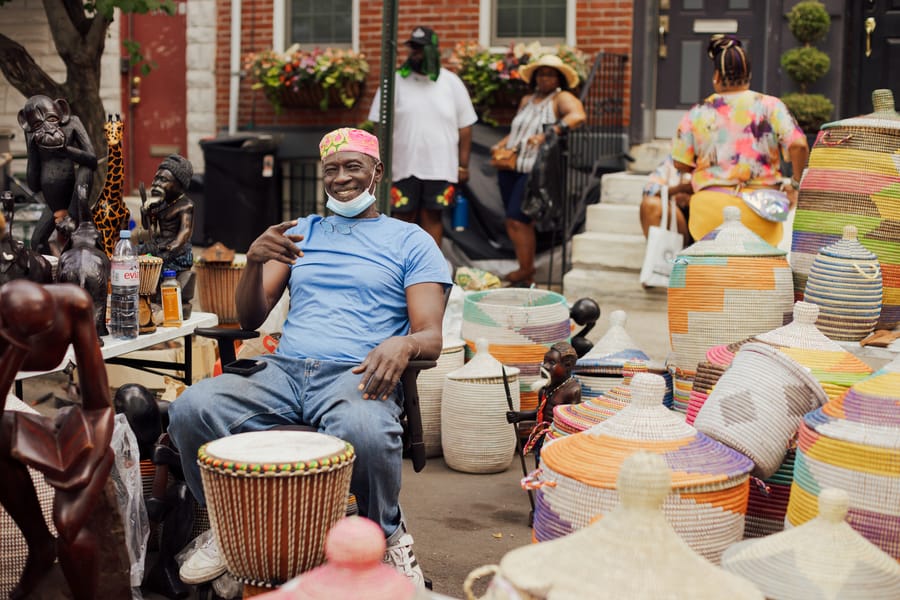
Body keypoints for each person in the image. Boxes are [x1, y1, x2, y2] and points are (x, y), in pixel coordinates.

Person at [167, 127, 451, 589]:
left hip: (356, 374)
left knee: (365, 430)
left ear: (376, 172)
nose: (341, 178)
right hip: (283, 371)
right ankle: (226, 526)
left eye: (353, 167)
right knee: (191, 408)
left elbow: (430, 335)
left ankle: (387, 536)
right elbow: (250, 316)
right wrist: (254, 263)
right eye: (332, 170)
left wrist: (404, 344)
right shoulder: (302, 232)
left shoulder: (410, 241)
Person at [672, 34, 809, 246]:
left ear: (716, 76)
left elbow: (680, 163)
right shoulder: (771, 106)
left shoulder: (697, 112)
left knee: (716, 270)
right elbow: (799, 145)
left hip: (710, 212)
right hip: (763, 209)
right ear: (749, 74)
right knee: (757, 270)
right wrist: (795, 186)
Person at [367, 26, 478, 248]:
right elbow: (378, 123)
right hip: (401, 165)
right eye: (412, 49)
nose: (414, 54)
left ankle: (430, 271)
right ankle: (398, 266)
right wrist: (378, 161)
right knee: (401, 217)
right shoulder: (394, 82)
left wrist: (463, 165)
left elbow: (465, 127)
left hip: (440, 167)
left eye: (420, 49)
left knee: (433, 218)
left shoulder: (451, 82)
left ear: (433, 51)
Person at [491, 54, 586, 287]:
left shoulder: (560, 98)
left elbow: (578, 116)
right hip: (512, 165)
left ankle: (525, 269)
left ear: (559, 78)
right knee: (514, 221)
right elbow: (519, 129)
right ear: (534, 77)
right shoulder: (526, 99)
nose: (545, 78)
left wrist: (548, 134)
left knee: (518, 219)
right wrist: (503, 143)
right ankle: (527, 274)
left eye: (550, 74)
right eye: (541, 73)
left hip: (535, 169)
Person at [505, 341, 580, 465]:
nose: (544, 366)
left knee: (553, 467)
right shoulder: (545, 389)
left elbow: (571, 422)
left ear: (567, 365)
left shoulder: (572, 390)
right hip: (541, 436)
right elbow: (540, 411)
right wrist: (520, 416)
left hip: (559, 441)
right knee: (539, 464)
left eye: (551, 363)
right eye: (544, 361)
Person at [139, 154, 196, 312]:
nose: (156, 183)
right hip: (159, 244)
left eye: (163, 180)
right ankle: (142, 296)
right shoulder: (160, 204)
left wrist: (171, 248)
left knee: (160, 264)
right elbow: (147, 226)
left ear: (179, 184)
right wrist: (145, 212)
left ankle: (159, 299)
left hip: (176, 250)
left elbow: (184, 233)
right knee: (137, 254)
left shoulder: (186, 206)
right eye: (156, 179)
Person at [639, 155, 694, 247]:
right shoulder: (672, 160)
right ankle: (658, 256)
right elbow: (649, 191)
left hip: (706, 213)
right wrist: (677, 190)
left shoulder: (718, 155)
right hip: (678, 219)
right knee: (650, 204)